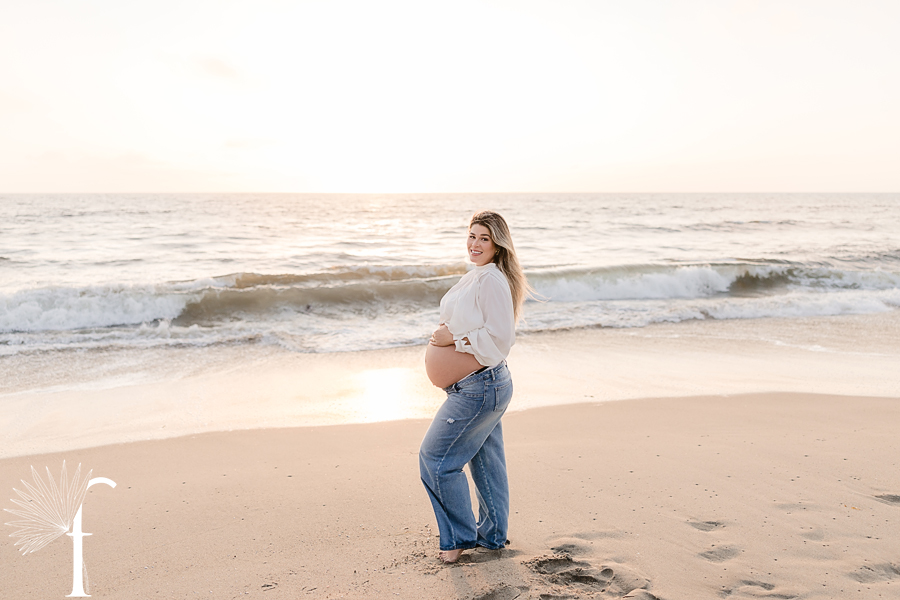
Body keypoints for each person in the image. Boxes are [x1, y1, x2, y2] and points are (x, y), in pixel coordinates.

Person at [419, 210, 529, 564]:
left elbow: (500, 339)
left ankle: (458, 540)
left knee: (435, 459)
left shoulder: (491, 281)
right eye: (472, 235)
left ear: (498, 244)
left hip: (480, 387)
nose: (475, 243)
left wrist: (453, 337)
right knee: (485, 462)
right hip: (481, 386)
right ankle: (492, 536)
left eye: (484, 238)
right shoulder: (479, 276)